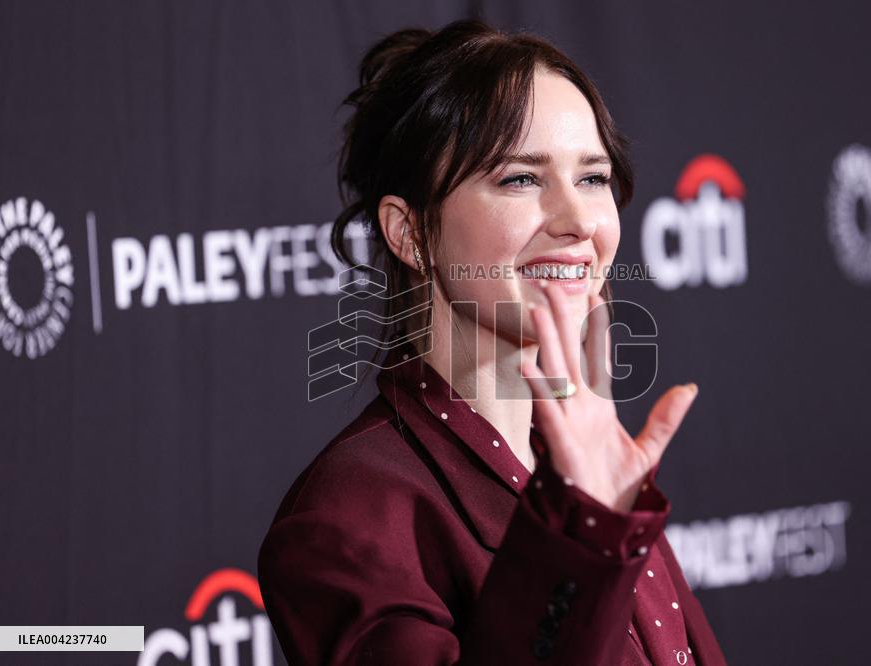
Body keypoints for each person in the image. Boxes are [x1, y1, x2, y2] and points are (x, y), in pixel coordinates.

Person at [258, 18, 727, 665]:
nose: (576, 222)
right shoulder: (346, 519)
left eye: (592, 177)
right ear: (411, 233)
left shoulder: (589, 463)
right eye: (520, 179)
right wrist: (583, 533)